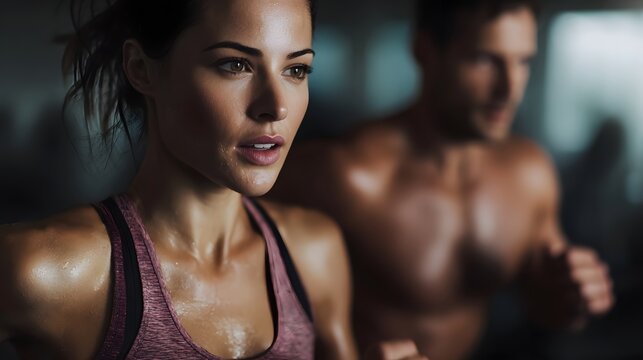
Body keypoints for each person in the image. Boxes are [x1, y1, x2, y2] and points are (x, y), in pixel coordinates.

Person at [0, 1, 429, 359]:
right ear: (141, 69)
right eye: (236, 64)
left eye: (296, 70)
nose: (276, 107)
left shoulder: (314, 254)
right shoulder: (47, 271)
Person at [269, 0, 615, 359]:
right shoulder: (347, 174)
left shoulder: (530, 174)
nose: (509, 87)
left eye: (523, 61)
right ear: (425, 51)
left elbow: (545, 306)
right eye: (484, 59)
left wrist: (576, 296)